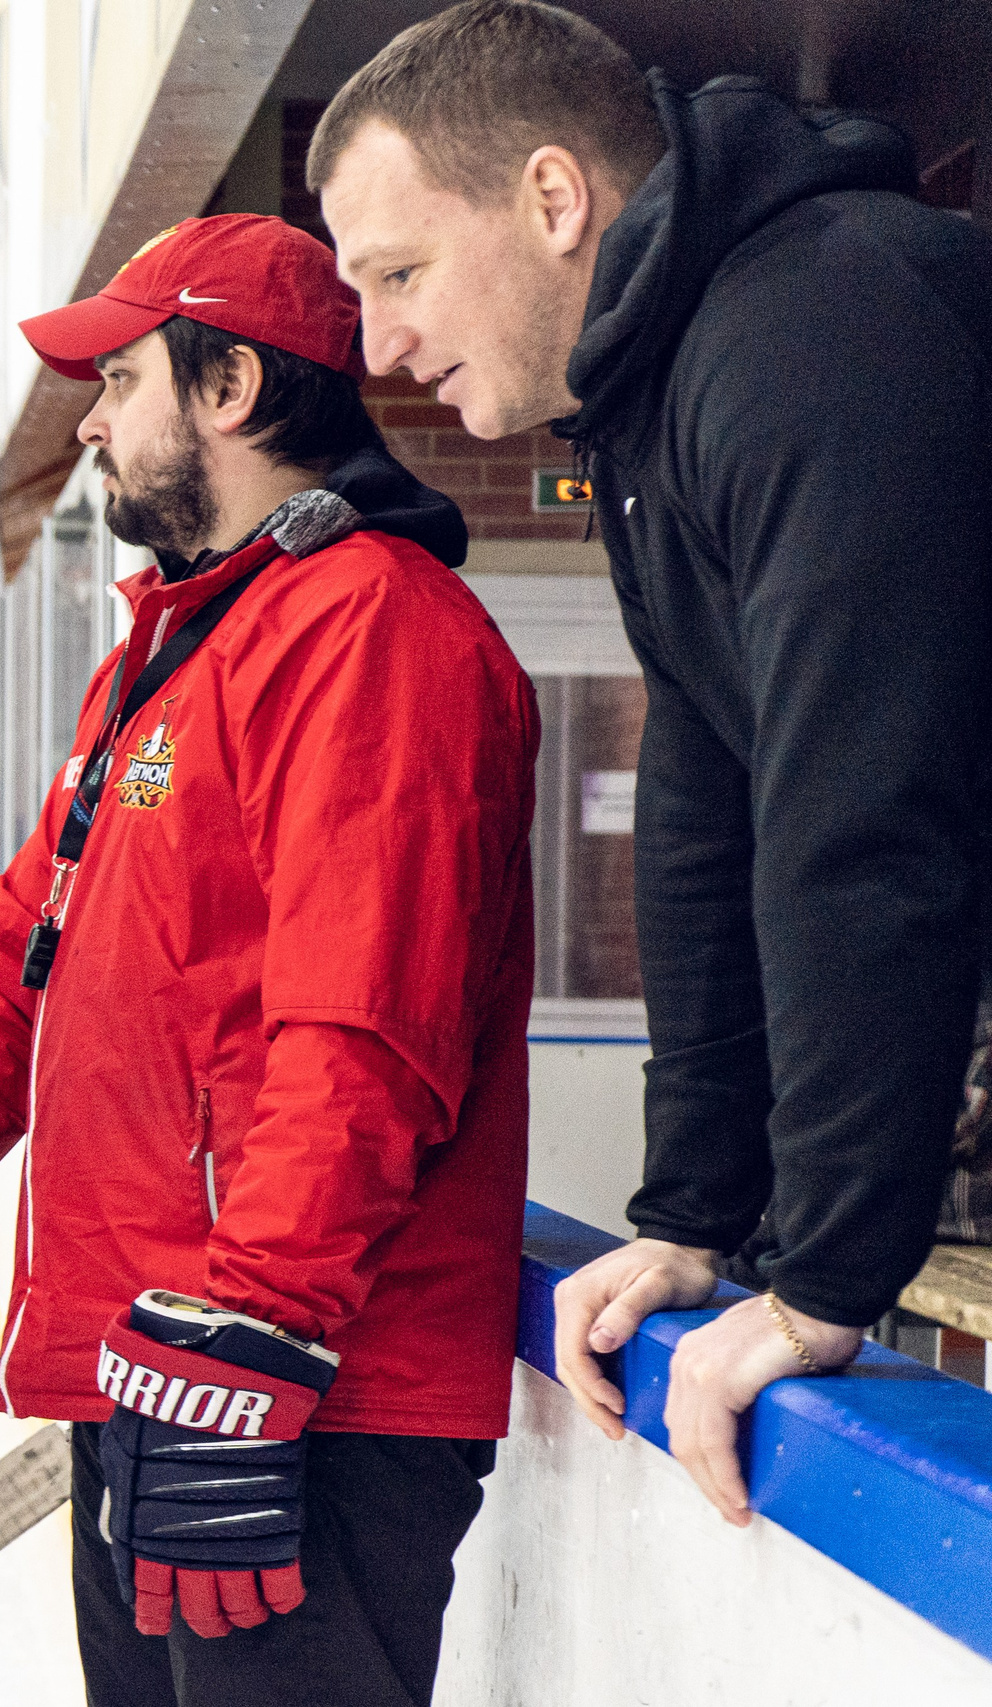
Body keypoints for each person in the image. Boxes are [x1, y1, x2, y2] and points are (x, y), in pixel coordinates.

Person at [0, 213, 538, 1707]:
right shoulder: (175, 654)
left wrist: (260, 1321)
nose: (90, 420)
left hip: (298, 1395)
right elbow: (20, 964)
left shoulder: (373, 633)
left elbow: (363, 1027)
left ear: (229, 388)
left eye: (121, 377)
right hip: (171, 1375)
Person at [310, 0, 992, 1528]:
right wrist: (697, 1210)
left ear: (555, 202)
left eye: (401, 272)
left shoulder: (822, 332)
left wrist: (819, 1275)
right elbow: (710, 804)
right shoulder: (651, 409)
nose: (379, 345)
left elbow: (859, 817)